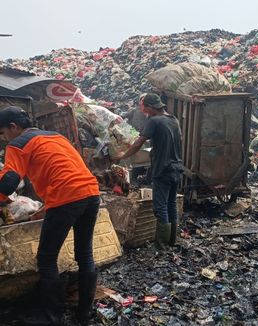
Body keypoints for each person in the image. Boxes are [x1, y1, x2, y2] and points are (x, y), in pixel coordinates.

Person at [0, 106, 100, 326]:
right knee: (84, 253)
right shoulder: (56, 137)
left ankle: (52, 317)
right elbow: (64, 169)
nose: (4, 137)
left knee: (46, 258)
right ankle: (84, 314)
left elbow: (8, 182)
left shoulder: (17, 144)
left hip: (67, 197)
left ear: (13, 127)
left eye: (3, 132)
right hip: (91, 193)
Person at [114, 93, 183, 247]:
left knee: (160, 207)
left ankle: (161, 244)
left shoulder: (154, 121)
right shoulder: (173, 120)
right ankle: (172, 240)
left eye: (144, 107)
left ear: (151, 107)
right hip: (177, 168)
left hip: (163, 169)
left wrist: (123, 155)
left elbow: (138, 143)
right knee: (171, 203)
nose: (143, 110)